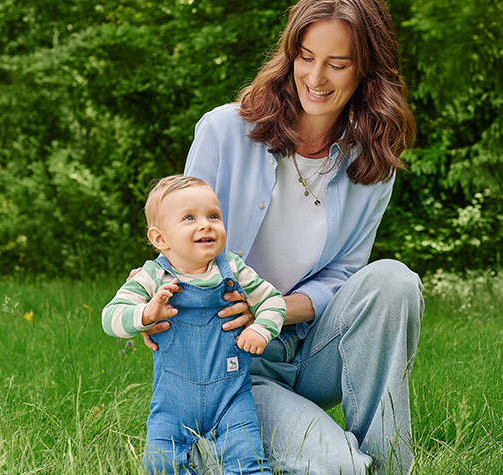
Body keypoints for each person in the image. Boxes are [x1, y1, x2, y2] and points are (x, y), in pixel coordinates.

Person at [140, 0, 423, 473]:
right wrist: (154, 301)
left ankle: (392, 466)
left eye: (337, 64)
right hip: (233, 366)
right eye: (306, 57)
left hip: (312, 348)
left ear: (366, 72)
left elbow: (345, 275)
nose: (316, 78)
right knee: (342, 469)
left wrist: (271, 307)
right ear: (290, 54)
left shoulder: (371, 162)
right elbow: (178, 238)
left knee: (394, 281)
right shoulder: (224, 130)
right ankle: (208, 443)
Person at [103, 175, 286, 475]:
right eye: (189, 218)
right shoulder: (152, 277)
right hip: (173, 405)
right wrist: (146, 314)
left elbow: (273, 302)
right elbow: (110, 317)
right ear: (160, 239)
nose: (206, 224)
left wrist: (259, 329)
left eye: (213, 215)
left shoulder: (233, 269)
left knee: (247, 461)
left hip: (232, 397)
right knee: (160, 465)